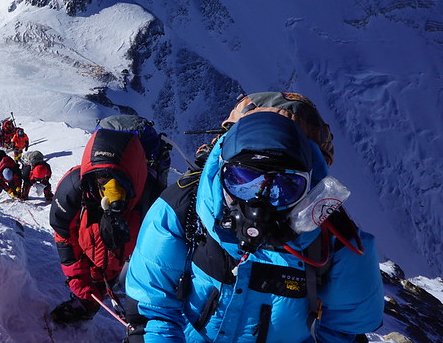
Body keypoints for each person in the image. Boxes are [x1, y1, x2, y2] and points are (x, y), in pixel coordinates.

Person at [125, 112, 384, 342]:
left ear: (309, 187)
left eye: (284, 187)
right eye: (243, 180)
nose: (258, 203)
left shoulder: (334, 238)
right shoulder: (183, 208)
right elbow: (153, 310)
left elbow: (344, 333)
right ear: (221, 171)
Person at [49, 128, 160, 324]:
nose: (111, 190)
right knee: (92, 280)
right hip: (88, 252)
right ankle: (86, 301)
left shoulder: (151, 200)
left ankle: (93, 296)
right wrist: (77, 280)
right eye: (103, 179)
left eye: (118, 181)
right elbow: (64, 235)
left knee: (106, 276)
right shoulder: (76, 189)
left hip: (117, 260)